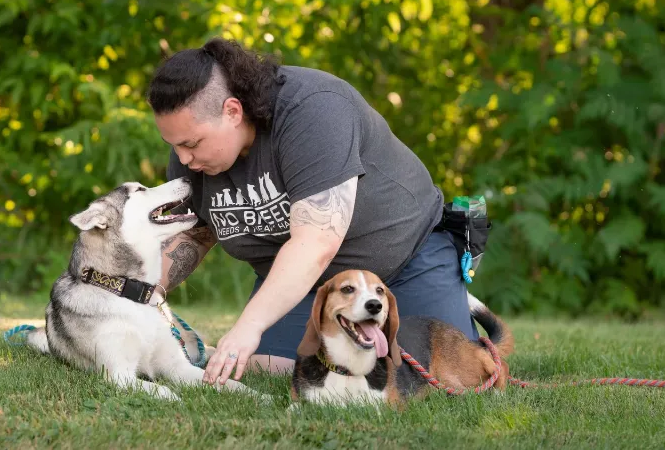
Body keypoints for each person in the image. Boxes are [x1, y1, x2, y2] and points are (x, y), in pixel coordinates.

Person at [147, 38, 478, 387]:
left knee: (450, 374)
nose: (183, 160)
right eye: (175, 146)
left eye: (191, 143)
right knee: (267, 366)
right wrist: (145, 289)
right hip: (313, 288)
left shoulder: (313, 110)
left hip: (407, 261)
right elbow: (194, 233)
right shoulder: (194, 156)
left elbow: (316, 242)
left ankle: (447, 294)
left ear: (232, 111)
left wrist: (248, 326)